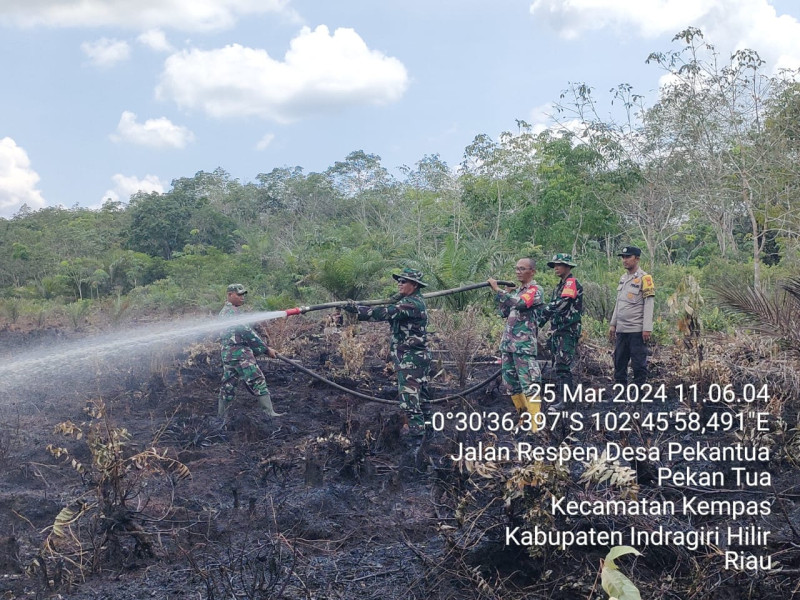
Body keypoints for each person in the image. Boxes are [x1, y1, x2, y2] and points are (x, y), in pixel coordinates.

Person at [343, 268, 431, 435]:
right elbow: (392, 306)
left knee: (410, 404)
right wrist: (396, 297)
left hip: (411, 360)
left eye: (403, 281)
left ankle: (417, 441)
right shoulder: (411, 301)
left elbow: (382, 313)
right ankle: (429, 436)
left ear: (414, 284)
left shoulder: (410, 304)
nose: (399, 283)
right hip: (417, 357)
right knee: (423, 400)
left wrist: (355, 309)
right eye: (398, 280)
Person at [488, 258, 544, 424]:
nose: (518, 271)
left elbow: (519, 303)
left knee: (529, 383)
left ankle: (536, 424)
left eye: (522, 269)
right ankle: (524, 417)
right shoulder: (516, 292)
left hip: (523, 346)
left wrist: (498, 290)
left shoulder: (535, 290)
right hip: (509, 345)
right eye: (517, 268)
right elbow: (505, 311)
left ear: (532, 271)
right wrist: (506, 293)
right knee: (511, 383)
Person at [218, 283, 283, 420]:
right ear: (230, 295)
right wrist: (266, 349)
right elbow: (246, 332)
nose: (242, 297)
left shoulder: (224, 312)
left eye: (243, 295)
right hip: (240, 353)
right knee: (257, 379)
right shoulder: (232, 312)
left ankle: (221, 417)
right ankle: (269, 413)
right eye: (239, 294)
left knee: (228, 385)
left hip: (228, 354)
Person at [608, 246, 655, 386]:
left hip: (636, 330)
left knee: (638, 364)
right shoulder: (623, 278)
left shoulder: (645, 278)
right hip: (622, 330)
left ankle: (638, 395)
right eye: (623, 257)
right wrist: (613, 323)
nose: (624, 260)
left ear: (637, 259)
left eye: (628, 257)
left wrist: (647, 328)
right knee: (619, 362)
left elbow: (649, 304)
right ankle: (620, 393)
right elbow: (619, 303)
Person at [539, 253, 583, 400]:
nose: (556, 268)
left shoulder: (571, 283)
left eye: (559, 265)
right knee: (557, 365)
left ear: (567, 266)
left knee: (563, 367)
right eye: (555, 265)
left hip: (567, 330)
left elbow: (562, 303)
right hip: (558, 330)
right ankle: (562, 398)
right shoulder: (559, 286)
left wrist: (542, 313)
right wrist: (539, 322)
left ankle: (567, 401)